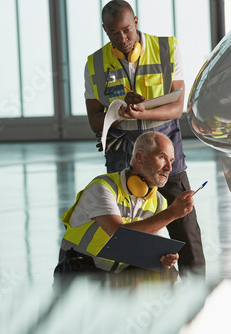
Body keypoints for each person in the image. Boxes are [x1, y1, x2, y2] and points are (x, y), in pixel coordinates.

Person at [84, 0, 205, 276]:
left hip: (165, 158)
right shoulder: (94, 64)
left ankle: (197, 293)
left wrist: (142, 112)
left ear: (136, 22)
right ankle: (137, 294)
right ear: (105, 31)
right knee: (130, 239)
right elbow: (93, 118)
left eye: (127, 30)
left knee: (185, 229)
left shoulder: (166, 49)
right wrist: (117, 108)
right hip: (124, 161)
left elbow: (177, 107)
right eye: (114, 33)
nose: (122, 38)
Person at [53, 132, 194, 283]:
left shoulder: (158, 201)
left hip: (117, 272)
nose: (169, 168)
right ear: (140, 157)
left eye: (171, 161)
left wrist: (165, 257)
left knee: (166, 273)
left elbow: (152, 247)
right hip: (79, 269)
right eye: (162, 157)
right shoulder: (102, 188)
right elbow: (119, 236)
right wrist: (171, 214)